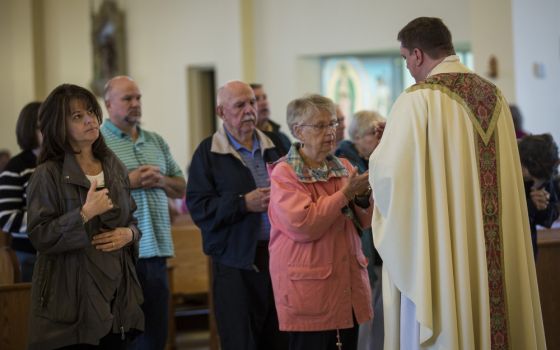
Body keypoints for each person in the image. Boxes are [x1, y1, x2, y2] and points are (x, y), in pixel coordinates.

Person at [369, 17, 545, 349]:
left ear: (418, 55)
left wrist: (380, 151)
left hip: (448, 249)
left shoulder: (416, 100)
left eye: (406, 57)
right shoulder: (494, 97)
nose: (407, 66)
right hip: (495, 251)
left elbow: (390, 174)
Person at [26, 84, 144, 349]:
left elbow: (133, 221)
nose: (90, 119)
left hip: (117, 295)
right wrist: (84, 214)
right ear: (59, 125)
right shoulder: (47, 174)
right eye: (77, 116)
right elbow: (40, 235)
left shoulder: (114, 166)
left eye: (90, 112)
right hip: (71, 299)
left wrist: (129, 234)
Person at [187, 80, 287, 350]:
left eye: (252, 103)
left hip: (279, 256)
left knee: (279, 338)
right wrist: (243, 204)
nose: (249, 110)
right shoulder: (208, 153)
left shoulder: (276, 144)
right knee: (241, 340)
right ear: (221, 112)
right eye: (240, 105)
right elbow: (199, 208)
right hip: (235, 261)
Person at [268, 94, 373, 350]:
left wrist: (361, 197)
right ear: (298, 132)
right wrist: (346, 193)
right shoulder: (285, 173)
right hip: (310, 290)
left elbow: (366, 221)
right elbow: (303, 224)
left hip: (346, 285)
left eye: (333, 124)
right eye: (320, 126)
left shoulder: (344, 166)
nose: (330, 133)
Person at [101, 76, 186, 350]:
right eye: (127, 99)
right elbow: (89, 192)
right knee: (123, 337)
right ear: (108, 104)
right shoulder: (98, 144)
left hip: (157, 250)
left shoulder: (155, 141)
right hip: (120, 254)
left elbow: (182, 186)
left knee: (156, 336)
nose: (136, 104)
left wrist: (162, 181)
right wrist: (129, 181)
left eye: (138, 98)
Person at [335, 110, 385, 350]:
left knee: (379, 319)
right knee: (364, 320)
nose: (378, 141)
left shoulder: (373, 158)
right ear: (357, 136)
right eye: (373, 135)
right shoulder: (345, 162)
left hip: (377, 252)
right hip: (361, 250)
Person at [0, 102, 42, 282]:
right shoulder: (16, 167)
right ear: (30, 129)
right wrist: (48, 221)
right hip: (28, 256)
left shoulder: (64, 163)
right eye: (43, 126)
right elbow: (6, 219)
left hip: (62, 253)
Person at [518, 133, 559, 258]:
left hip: (529, 248)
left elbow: (549, 219)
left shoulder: (545, 173)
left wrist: (543, 206)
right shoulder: (507, 171)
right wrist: (531, 205)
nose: (536, 186)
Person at [250, 83, 292, 154]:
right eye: (256, 99)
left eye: (264, 97)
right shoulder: (247, 140)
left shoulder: (283, 138)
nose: (263, 102)